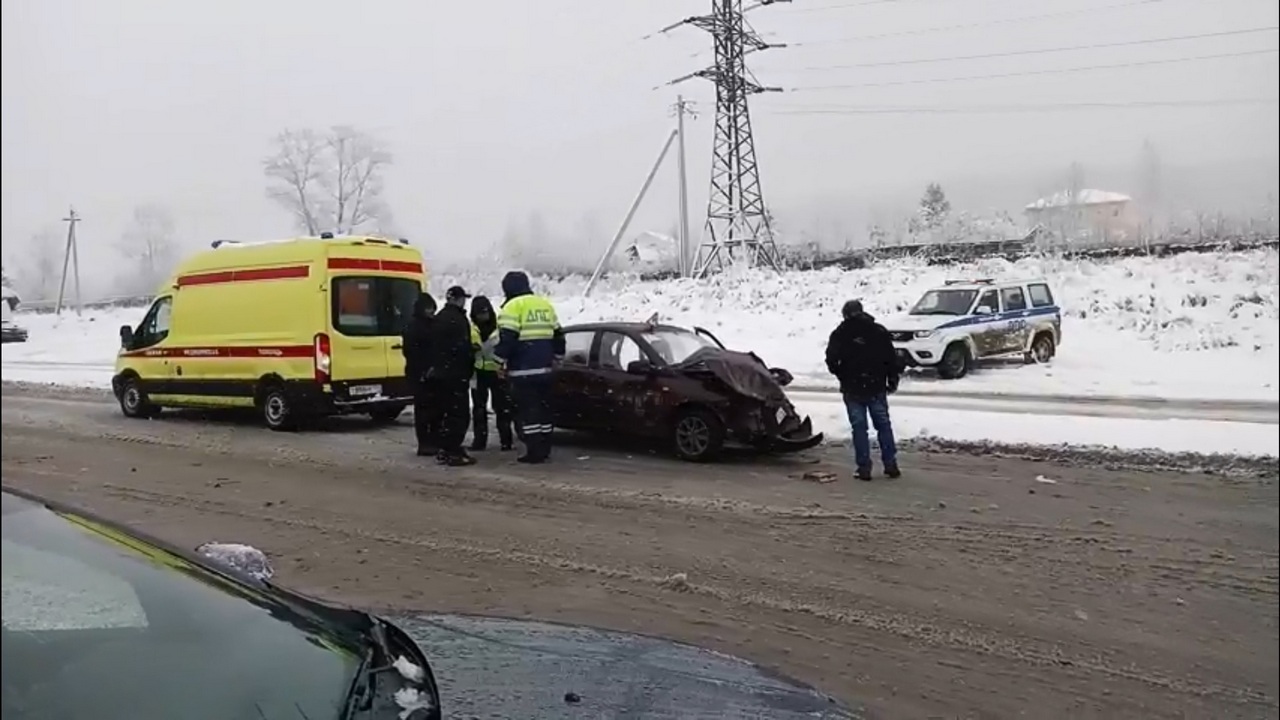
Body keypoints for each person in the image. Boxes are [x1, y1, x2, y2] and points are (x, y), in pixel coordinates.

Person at [825, 299, 901, 481]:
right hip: (876, 385)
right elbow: (891, 358)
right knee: (883, 426)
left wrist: (843, 374)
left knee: (859, 429)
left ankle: (864, 468)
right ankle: (890, 465)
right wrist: (892, 378)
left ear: (845, 314)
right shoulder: (878, 331)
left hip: (852, 388)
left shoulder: (840, 333)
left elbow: (831, 360)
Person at [494, 270, 565, 464]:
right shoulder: (544, 305)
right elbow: (559, 335)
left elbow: (507, 339)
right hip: (545, 370)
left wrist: (498, 361)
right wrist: (558, 357)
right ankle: (544, 447)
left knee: (528, 411)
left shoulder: (512, 307)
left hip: (523, 371)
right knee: (544, 410)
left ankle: (533, 451)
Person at [428, 286, 478, 466]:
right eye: (463, 298)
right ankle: (454, 450)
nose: (464, 301)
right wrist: (470, 357)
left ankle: (445, 448)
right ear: (457, 299)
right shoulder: (458, 319)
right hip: (456, 374)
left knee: (446, 412)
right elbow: (461, 348)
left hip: (441, 373)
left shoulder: (439, 318)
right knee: (459, 414)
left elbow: (434, 346)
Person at [469, 295, 515, 452]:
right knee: (479, 409)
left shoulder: (500, 328)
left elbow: (506, 348)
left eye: (485, 312)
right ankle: (479, 441)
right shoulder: (471, 328)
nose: (483, 316)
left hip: (497, 372)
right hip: (478, 372)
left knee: (502, 408)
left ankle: (506, 441)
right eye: (479, 313)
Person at [401, 292, 439, 456]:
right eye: (428, 308)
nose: (431, 311)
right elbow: (411, 351)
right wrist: (424, 370)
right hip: (420, 373)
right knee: (423, 410)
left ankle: (433, 440)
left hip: (432, 372)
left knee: (434, 409)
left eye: (433, 308)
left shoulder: (432, 324)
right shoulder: (414, 326)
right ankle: (424, 443)